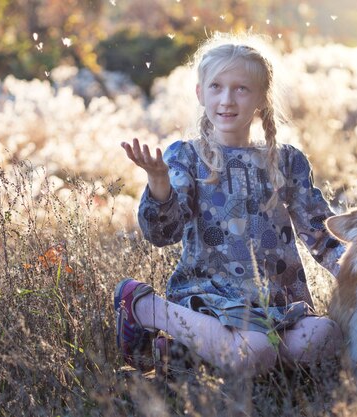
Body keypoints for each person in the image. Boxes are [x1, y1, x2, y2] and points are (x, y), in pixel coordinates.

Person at [115, 32, 345, 375]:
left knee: (326, 336)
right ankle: (144, 306)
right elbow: (163, 233)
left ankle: (186, 352)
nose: (227, 99)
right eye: (216, 87)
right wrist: (159, 181)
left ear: (262, 99)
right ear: (200, 93)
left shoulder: (287, 162)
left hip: (277, 302)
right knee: (256, 354)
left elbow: (321, 235)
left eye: (242, 89)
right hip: (213, 296)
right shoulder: (187, 157)